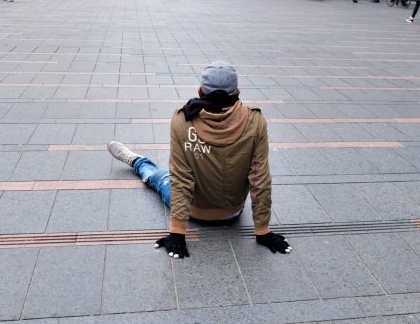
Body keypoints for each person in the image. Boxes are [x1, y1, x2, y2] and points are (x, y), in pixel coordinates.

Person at [106, 61, 291, 259]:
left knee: (161, 178)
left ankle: (137, 162)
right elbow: (260, 178)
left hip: (195, 211)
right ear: (237, 92)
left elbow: (181, 178)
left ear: (200, 91)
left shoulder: (183, 119)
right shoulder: (256, 121)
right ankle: (142, 164)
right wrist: (262, 230)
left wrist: (177, 232)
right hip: (233, 211)